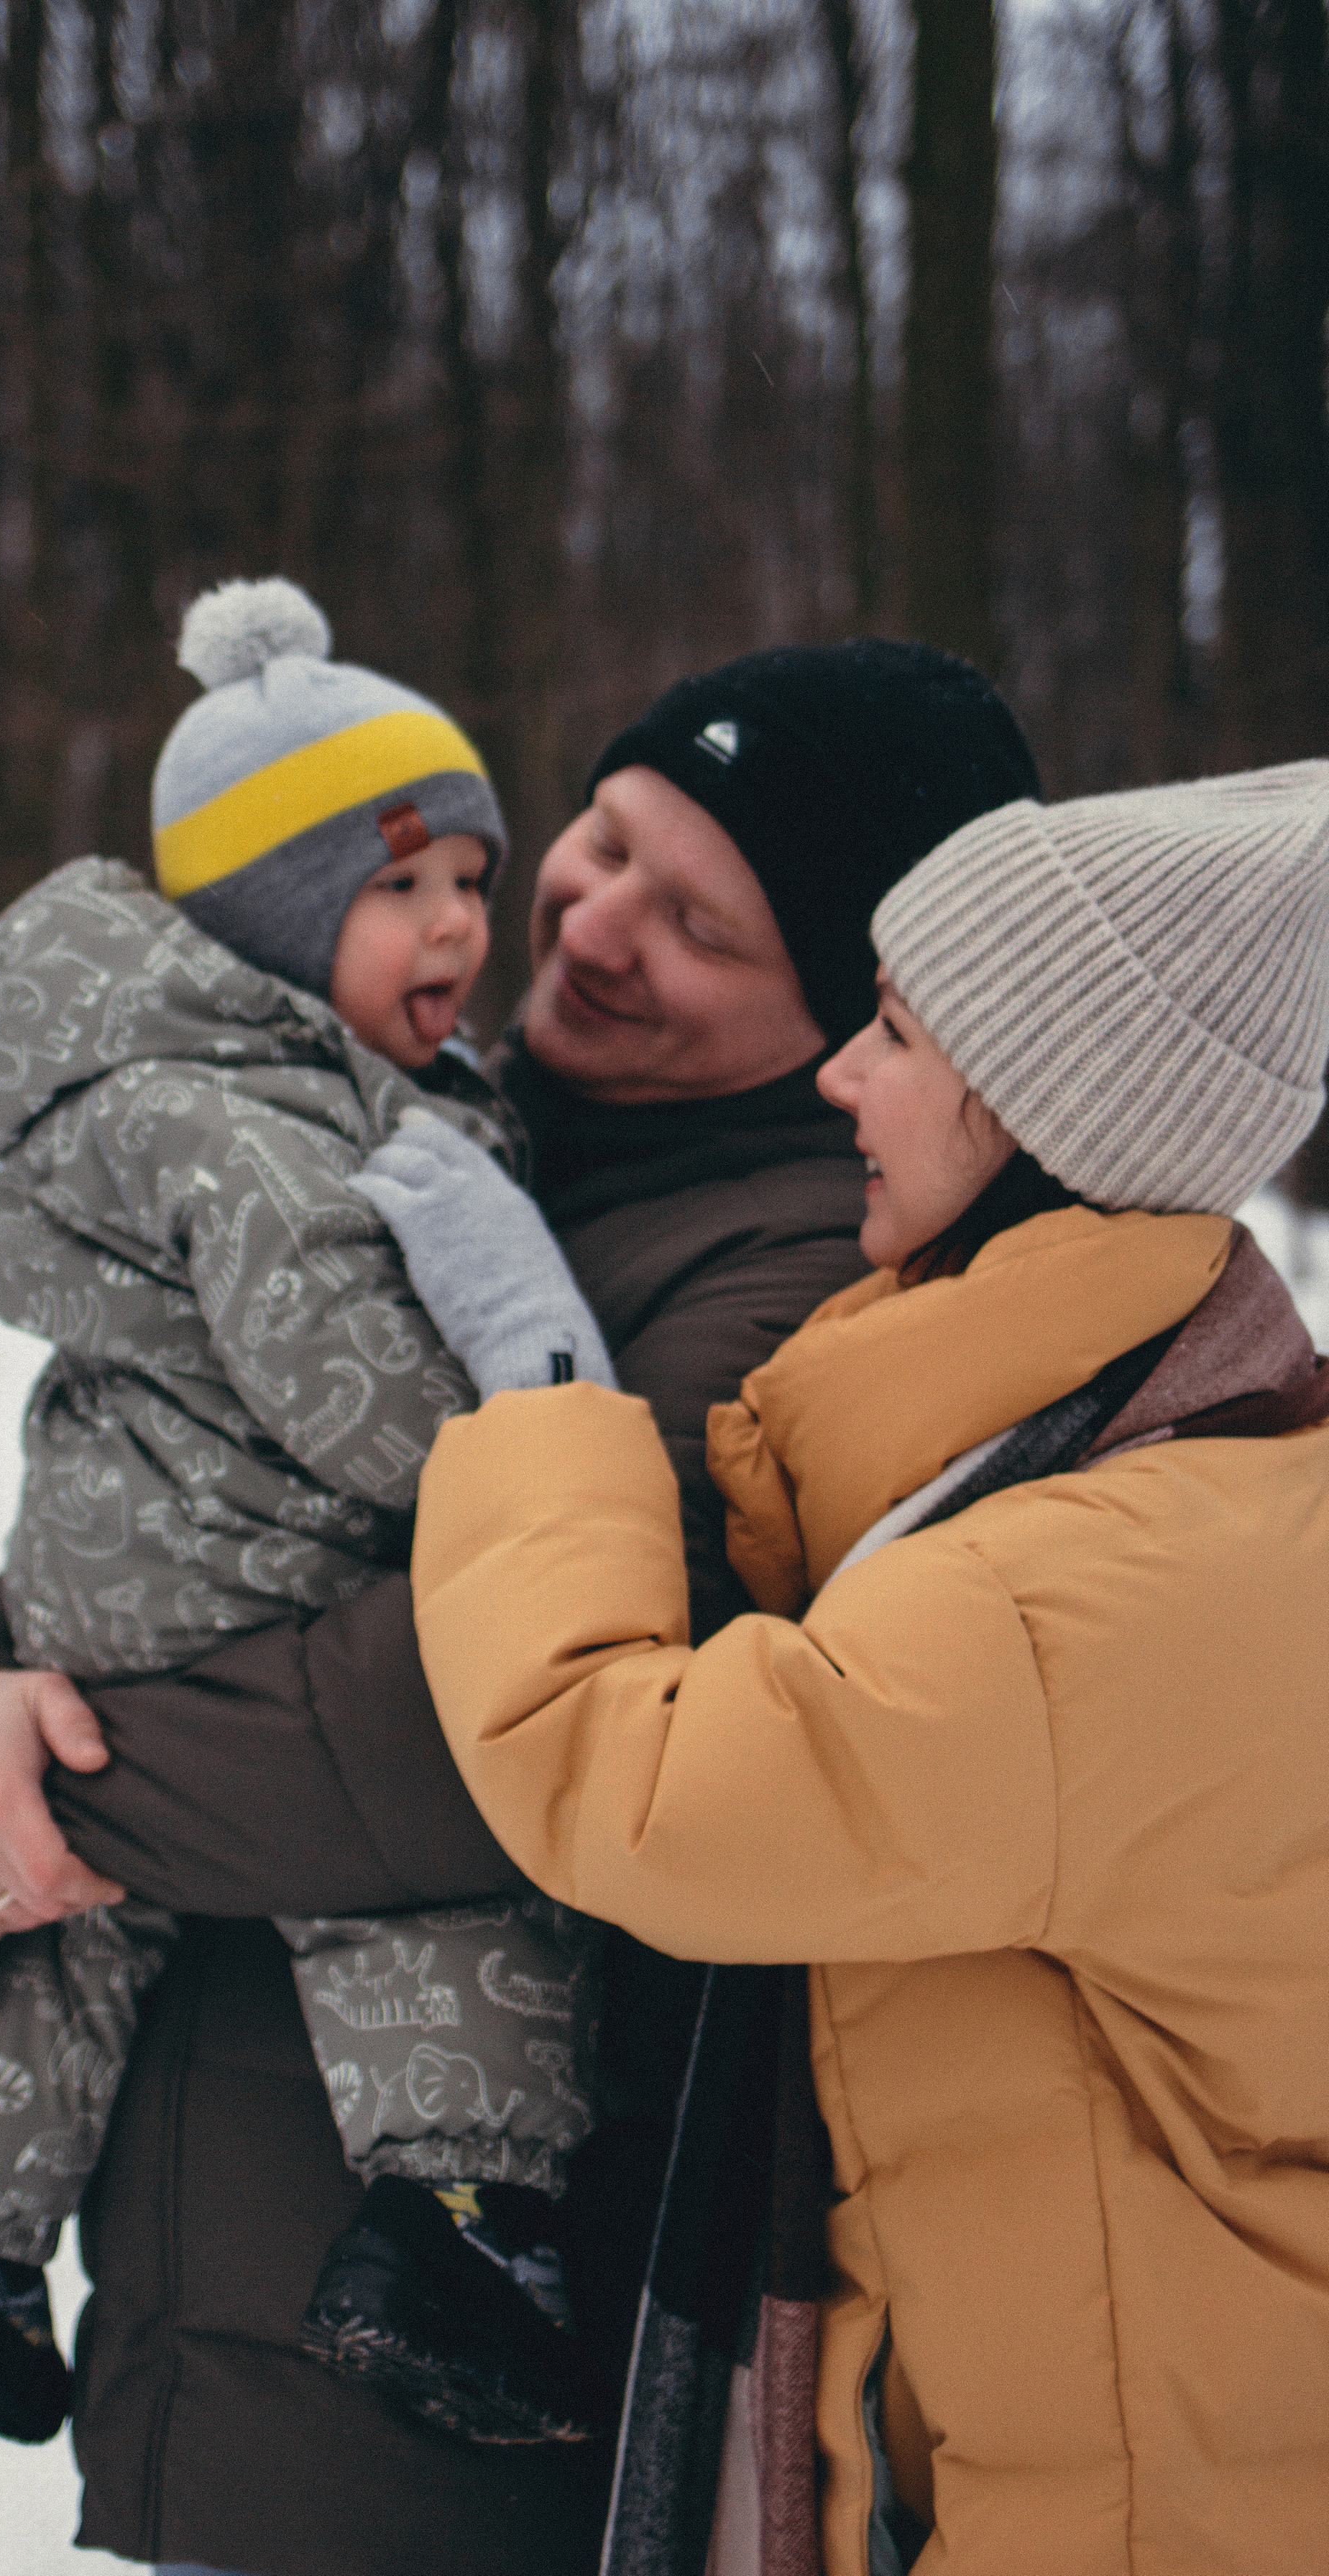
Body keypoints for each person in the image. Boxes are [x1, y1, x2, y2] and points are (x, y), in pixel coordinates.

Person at [0, 639, 1042, 2575]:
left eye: (702, 925)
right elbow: (198, 1496)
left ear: (848, 1015)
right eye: (604, 839)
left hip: (432, 2354)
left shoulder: (801, 1289)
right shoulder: (452, 1108)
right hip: (239, 2276)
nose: (584, 915)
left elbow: (467, 1713)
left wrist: (49, 1779)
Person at [380, 762, 1329, 2574]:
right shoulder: (1184, 1476)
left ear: (1039, 1106)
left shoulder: (1077, 1593)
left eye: (892, 1030)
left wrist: (546, 1392)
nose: (838, 1075)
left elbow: (625, 1781)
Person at [0, 579, 612, 2451]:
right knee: (413, 1891)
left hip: (104, 1583)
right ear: (271, 916)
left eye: (473, 884)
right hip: (246, 1581)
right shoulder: (256, 1133)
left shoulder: (224, 1087)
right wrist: (498, 1449)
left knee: (67, 1932)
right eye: (398, 887)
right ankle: (460, 2227)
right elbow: (338, 1380)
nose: (459, 930)